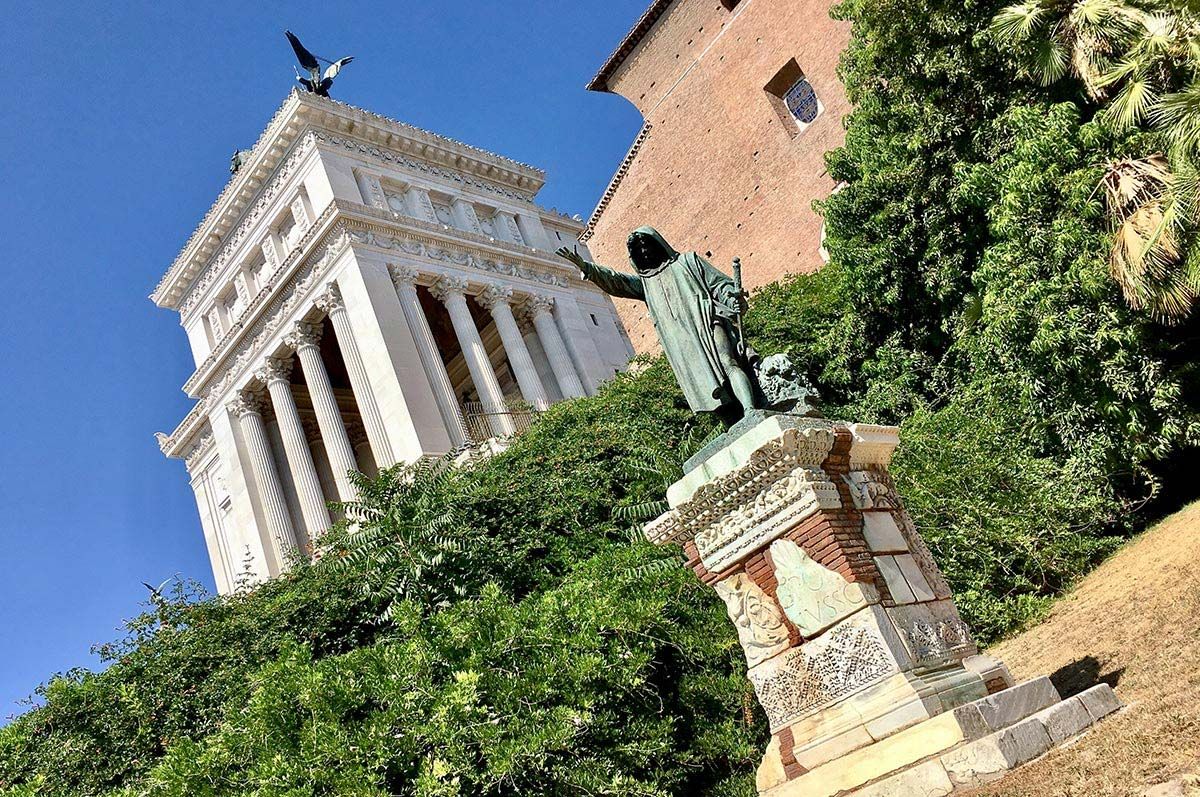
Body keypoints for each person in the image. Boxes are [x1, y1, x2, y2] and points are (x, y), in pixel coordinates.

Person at [557, 226, 763, 425]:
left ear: (659, 244)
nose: (645, 252)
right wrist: (586, 267)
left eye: (647, 246)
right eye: (639, 250)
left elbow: (719, 285)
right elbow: (617, 281)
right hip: (681, 341)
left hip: (706, 321)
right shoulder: (646, 283)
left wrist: (731, 299)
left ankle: (751, 410)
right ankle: (732, 424)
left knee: (728, 361)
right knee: (703, 385)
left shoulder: (688, 261)